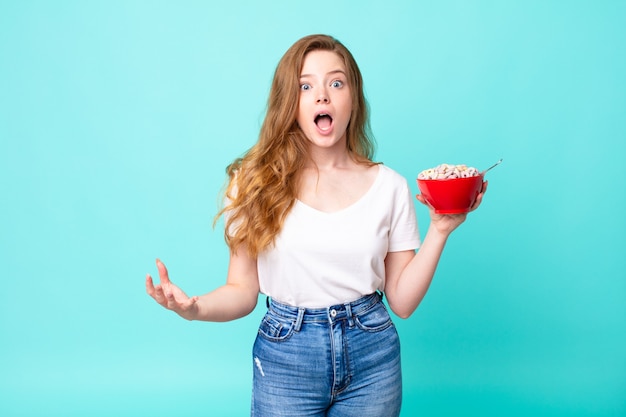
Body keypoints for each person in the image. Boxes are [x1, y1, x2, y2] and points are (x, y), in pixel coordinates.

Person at [146, 34, 486, 417]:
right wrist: (193, 308)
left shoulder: (389, 186)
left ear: (352, 99)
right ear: (290, 103)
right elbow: (242, 290)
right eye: (305, 86)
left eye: (336, 83)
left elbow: (402, 302)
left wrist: (439, 231)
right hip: (286, 354)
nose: (322, 96)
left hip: (372, 352)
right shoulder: (254, 183)